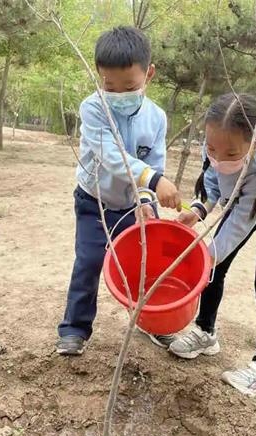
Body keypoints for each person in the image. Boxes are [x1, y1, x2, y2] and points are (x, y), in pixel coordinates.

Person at [145, 93, 256, 402]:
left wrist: (202, 257)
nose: (219, 156)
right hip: (244, 202)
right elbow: (214, 181)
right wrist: (199, 209)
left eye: (231, 152)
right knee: (216, 268)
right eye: (212, 148)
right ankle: (206, 332)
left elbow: (240, 221)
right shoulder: (216, 146)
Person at [56, 26, 181, 355]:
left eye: (130, 86)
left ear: (149, 74)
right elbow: (111, 157)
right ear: (99, 76)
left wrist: (145, 199)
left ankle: (151, 323)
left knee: (141, 266)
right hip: (93, 201)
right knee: (89, 260)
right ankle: (74, 329)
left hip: (130, 206)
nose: (119, 93)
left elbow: (154, 159)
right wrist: (153, 181)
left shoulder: (157, 118)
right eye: (109, 85)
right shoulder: (93, 108)